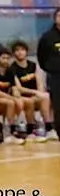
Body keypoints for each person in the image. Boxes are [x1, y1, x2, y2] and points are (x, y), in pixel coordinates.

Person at [10, 40, 57, 141]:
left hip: (35, 95)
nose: (20, 52)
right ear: (14, 53)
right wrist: (35, 93)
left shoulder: (33, 65)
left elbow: (39, 82)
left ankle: (49, 128)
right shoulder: (12, 68)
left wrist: (39, 92)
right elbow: (19, 88)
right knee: (30, 101)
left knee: (46, 97)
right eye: (17, 50)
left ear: (26, 52)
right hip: (22, 97)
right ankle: (30, 130)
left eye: (22, 50)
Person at [37, 8, 60, 139]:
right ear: (55, 18)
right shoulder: (48, 37)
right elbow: (41, 56)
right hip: (56, 77)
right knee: (58, 105)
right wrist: (51, 67)